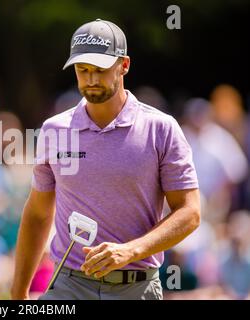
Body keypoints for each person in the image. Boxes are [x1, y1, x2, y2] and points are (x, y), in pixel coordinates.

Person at [10, 18, 201, 300]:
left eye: (100, 70)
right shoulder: (55, 130)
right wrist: (18, 292)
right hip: (68, 285)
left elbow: (189, 212)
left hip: (137, 286)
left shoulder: (160, 128)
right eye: (82, 70)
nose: (90, 79)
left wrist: (131, 251)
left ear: (123, 65)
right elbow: (38, 213)